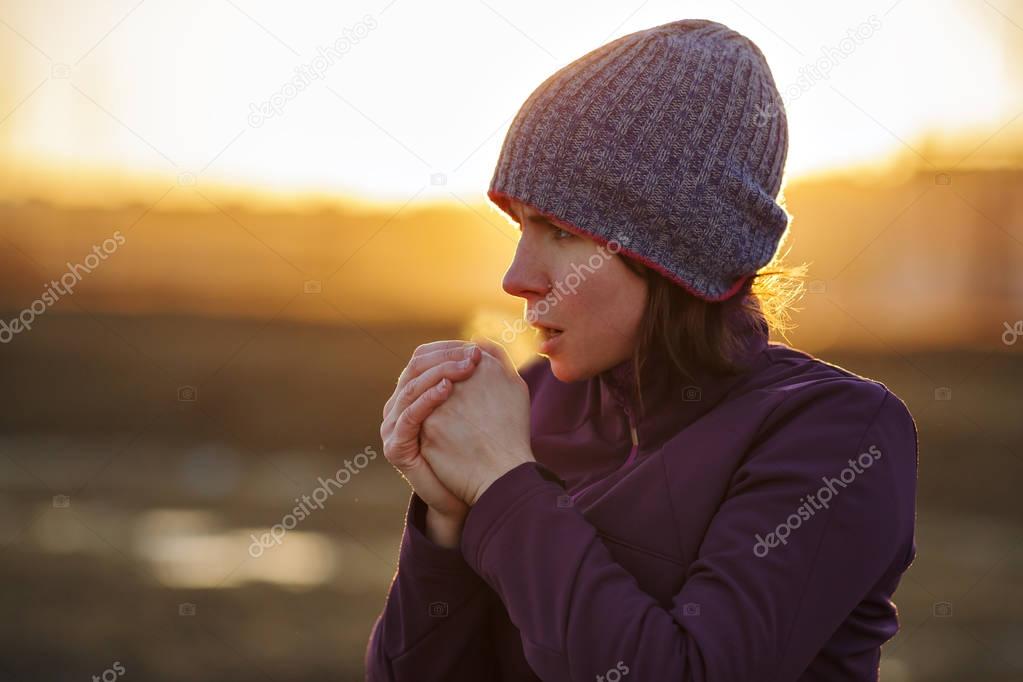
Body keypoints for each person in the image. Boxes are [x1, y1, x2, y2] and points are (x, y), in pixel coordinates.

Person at [366, 18, 918, 682]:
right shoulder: (532, 404)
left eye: (561, 231)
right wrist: (448, 525)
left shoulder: (834, 433)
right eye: (519, 227)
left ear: (672, 251)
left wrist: (504, 487)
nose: (516, 277)